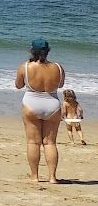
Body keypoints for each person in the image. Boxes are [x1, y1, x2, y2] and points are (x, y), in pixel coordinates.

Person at [14, 38, 65, 184]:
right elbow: (60, 84)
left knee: (33, 142)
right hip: (52, 104)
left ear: (32, 51)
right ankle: (52, 177)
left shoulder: (25, 66)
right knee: (50, 143)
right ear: (47, 51)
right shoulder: (58, 67)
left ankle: (35, 176)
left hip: (31, 103)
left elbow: (18, 85)